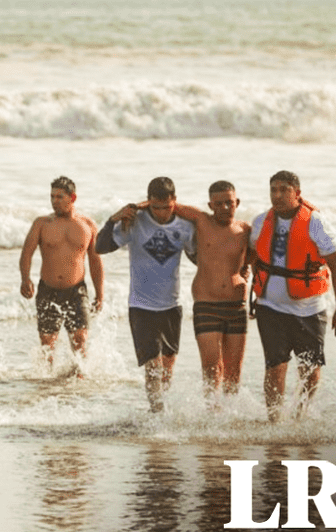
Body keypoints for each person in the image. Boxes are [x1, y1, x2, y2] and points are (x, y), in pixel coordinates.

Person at [248, 170, 336, 422]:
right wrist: (253, 290)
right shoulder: (261, 221)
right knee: (275, 366)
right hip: (269, 308)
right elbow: (253, 257)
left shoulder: (316, 223)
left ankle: (299, 417)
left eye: (284, 190)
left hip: (309, 310)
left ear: (297, 193)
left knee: (310, 373)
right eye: (273, 189)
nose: (277, 195)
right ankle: (275, 422)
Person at [96, 177, 195, 412]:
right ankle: (157, 414)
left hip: (172, 305)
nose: (161, 213)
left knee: (167, 367)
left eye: (166, 207)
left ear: (175, 201)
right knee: (153, 366)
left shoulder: (184, 226)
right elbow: (100, 247)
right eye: (156, 207)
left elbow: (199, 258)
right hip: (141, 306)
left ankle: (162, 406)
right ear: (148, 202)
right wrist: (112, 220)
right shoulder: (135, 222)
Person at [168, 181, 252, 396]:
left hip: (236, 306)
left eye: (229, 203)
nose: (225, 208)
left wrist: (247, 274)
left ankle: (229, 418)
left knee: (233, 373)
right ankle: (211, 415)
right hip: (207, 304)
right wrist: (135, 207)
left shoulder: (245, 230)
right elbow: (168, 203)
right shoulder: (202, 221)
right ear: (211, 205)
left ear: (237, 203)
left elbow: (255, 260)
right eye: (219, 204)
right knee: (211, 368)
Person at [19, 176, 104, 369]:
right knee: (48, 343)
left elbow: (95, 261)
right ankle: (47, 382)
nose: (54, 201)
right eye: (52, 197)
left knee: (80, 339)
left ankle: (78, 381)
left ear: (72, 197)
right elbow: (26, 254)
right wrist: (25, 279)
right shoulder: (42, 224)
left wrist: (100, 293)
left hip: (77, 290)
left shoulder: (87, 225)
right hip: (47, 290)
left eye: (59, 197)